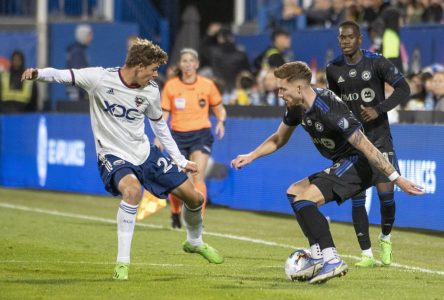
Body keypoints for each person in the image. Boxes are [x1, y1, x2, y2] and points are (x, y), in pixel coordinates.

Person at [21, 38, 224, 281]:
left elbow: (160, 128)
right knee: (132, 191)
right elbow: (62, 75)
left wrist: (179, 160)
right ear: (139, 65)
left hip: (145, 154)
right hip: (113, 154)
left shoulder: (150, 90)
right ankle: (122, 264)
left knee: (195, 197)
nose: (155, 75)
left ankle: (194, 241)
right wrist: (37, 73)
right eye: (152, 70)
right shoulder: (99, 78)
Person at [231, 61, 423, 284]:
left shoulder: (328, 107)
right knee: (294, 193)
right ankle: (317, 255)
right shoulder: (296, 107)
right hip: (343, 161)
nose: (279, 93)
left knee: (305, 200)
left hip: (359, 163)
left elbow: (365, 145)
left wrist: (396, 178)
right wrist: (251, 155)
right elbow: (278, 138)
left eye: (283, 88)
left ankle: (332, 259)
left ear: (300, 88)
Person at [326, 20, 411, 268]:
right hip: (351, 141)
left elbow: (403, 88)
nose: (345, 41)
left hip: (379, 137)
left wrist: (379, 109)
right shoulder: (333, 69)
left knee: (386, 195)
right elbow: (333, 102)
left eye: (349, 37)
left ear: (359, 39)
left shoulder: (376, 62)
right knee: (357, 198)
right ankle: (366, 254)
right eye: (341, 37)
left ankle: (386, 238)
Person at [157, 48, 226, 228]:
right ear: (180, 64)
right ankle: (175, 212)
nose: (187, 64)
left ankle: (198, 221)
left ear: (197, 64)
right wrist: (159, 137)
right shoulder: (171, 86)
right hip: (177, 137)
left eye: (191, 61)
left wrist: (221, 121)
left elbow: (219, 107)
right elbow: (164, 114)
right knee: (178, 180)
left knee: (198, 178)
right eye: (184, 61)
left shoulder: (207, 85)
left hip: (201, 135)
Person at [65, 24, 93, 101]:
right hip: (77, 89)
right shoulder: (77, 51)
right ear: (82, 36)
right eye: (89, 36)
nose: (91, 38)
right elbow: (78, 73)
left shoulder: (78, 50)